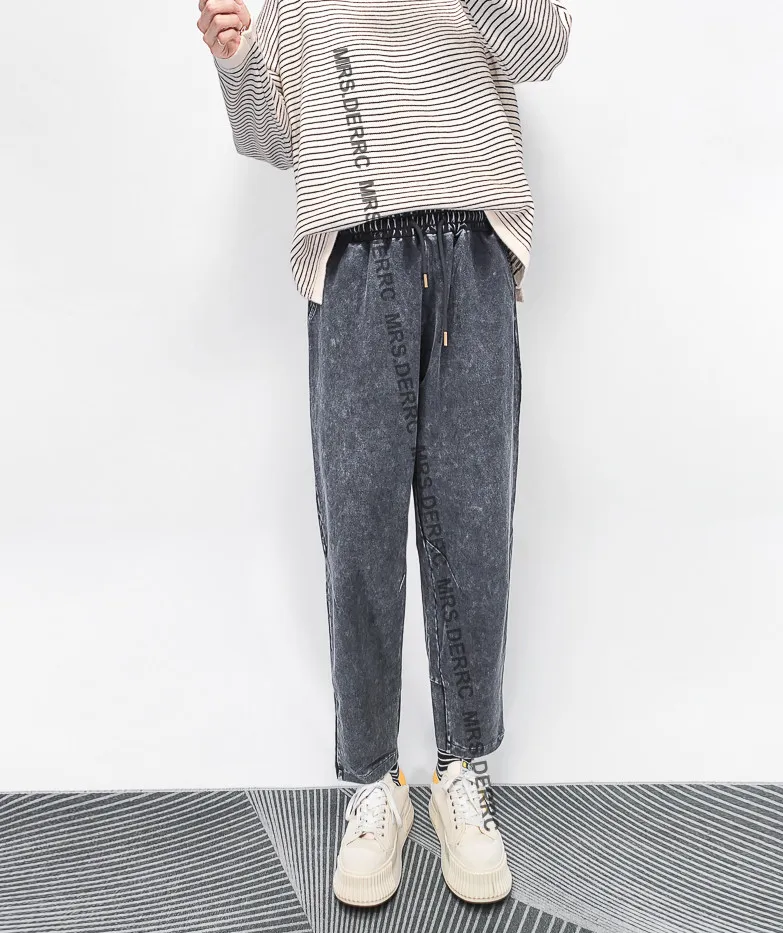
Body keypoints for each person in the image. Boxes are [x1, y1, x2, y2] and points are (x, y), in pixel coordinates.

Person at [198, 0, 572, 907]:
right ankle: (376, 781)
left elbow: (545, 46)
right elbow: (272, 135)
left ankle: (461, 769)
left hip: (473, 247)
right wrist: (238, 58)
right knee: (359, 530)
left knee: (473, 525)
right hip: (354, 260)